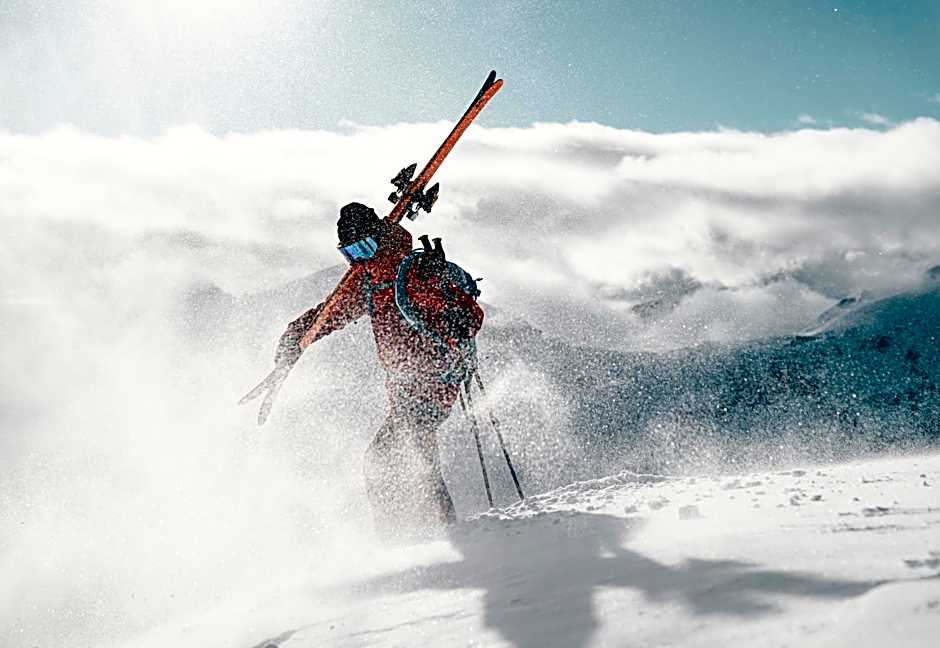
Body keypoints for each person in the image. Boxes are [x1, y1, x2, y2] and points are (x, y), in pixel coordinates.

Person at [275, 202, 484, 532]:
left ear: (380, 239)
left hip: (433, 382)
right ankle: (411, 532)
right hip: (402, 390)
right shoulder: (367, 282)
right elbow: (329, 315)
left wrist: (459, 320)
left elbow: (470, 313)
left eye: (366, 247)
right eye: (351, 252)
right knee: (394, 458)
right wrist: (294, 339)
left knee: (401, 456)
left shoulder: (412, 273)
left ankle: (430, 534)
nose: (360, 258)